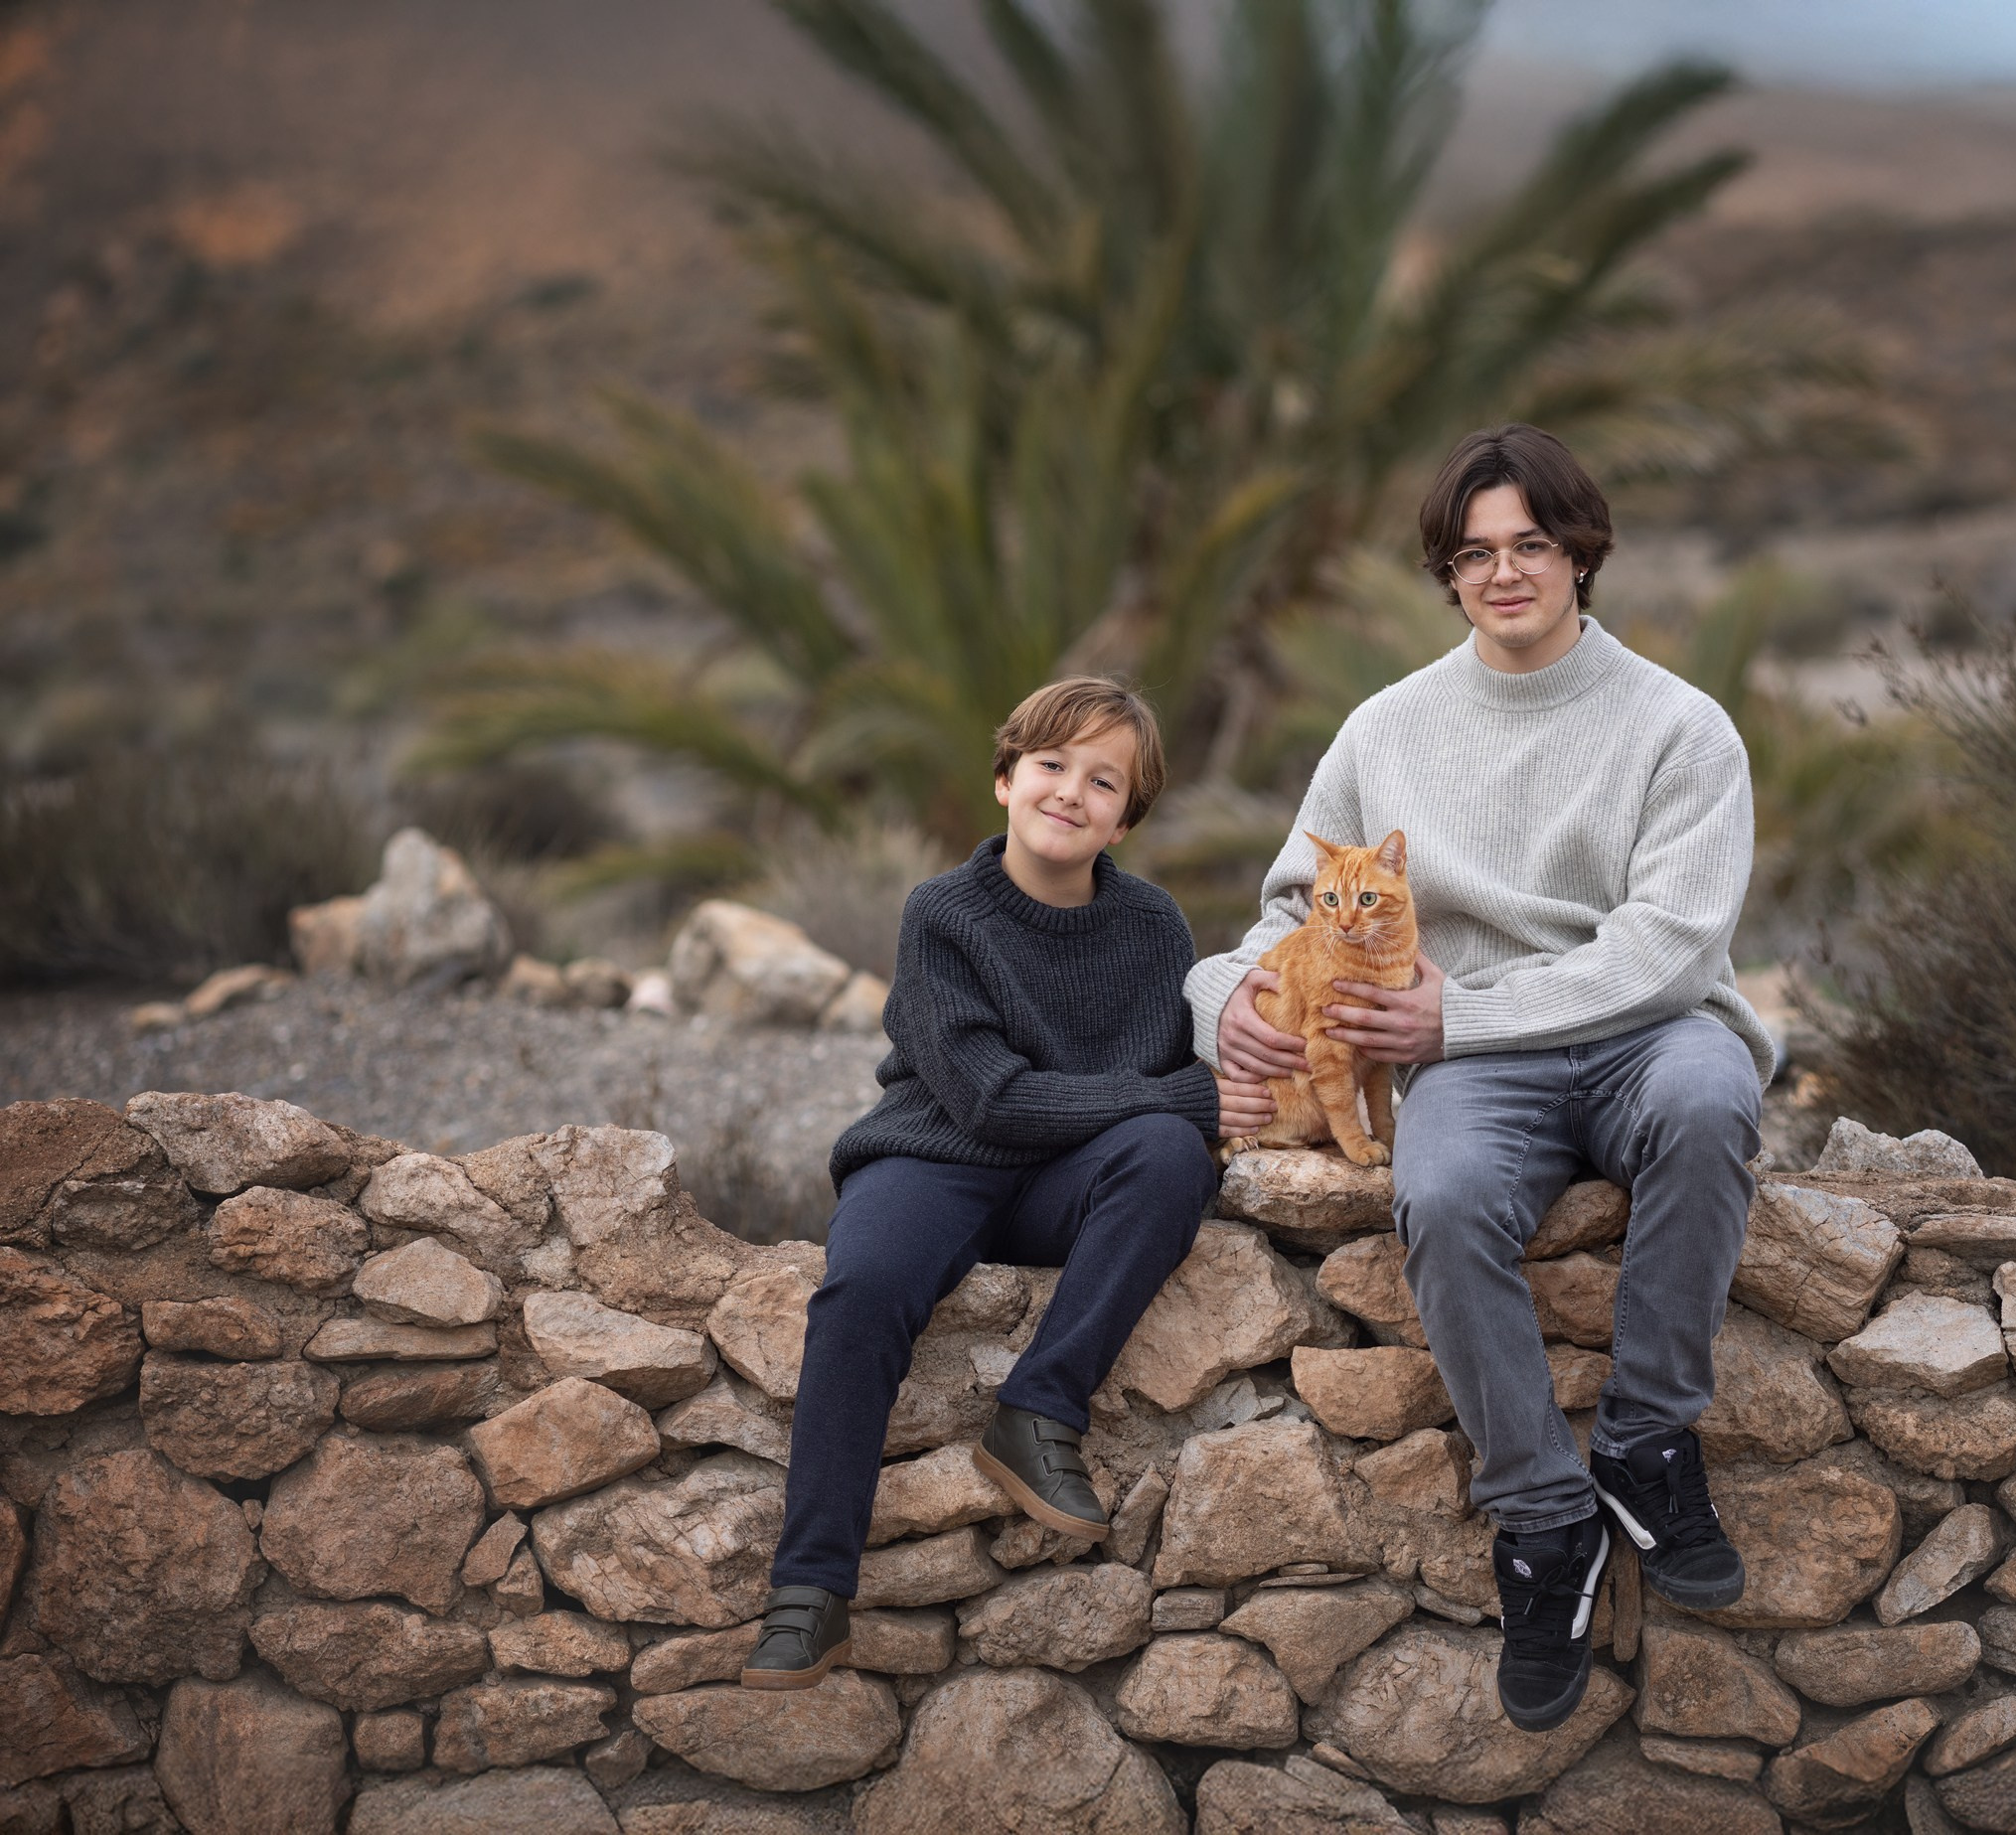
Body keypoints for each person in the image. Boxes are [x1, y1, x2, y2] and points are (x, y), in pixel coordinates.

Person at [1192, 424, 1773, 1734]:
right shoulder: (1384, 729)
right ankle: (1544, 1518)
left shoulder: (1680, 727)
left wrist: (1468, 1011)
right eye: (1472, 554)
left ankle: (1645, 1442)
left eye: (1530, 545)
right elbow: (1281, 911)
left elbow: (1669, 946)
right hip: (1461, 1056)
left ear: (1581, 553)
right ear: (1446, 574)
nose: (1503, 573)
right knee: (1443, 1191)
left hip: (1641, 1028)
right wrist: (1223, 997)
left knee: (1708, 1098)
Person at [743, 677, 1249, 1688]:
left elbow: (1157, 1104)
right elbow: (991, 1099)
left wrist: (1180, 1105)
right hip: (932, 1157)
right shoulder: (943, 914)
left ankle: (1038, 1411)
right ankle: (810, 1590)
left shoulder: (1153, 926)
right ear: (1006, 779)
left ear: (1125, 817)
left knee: (1166, 1157)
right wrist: (1183, 1097)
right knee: (864, 1290)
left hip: (1063, 1181)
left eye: (1103, 780)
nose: (1071, 791)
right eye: (1052, 764)